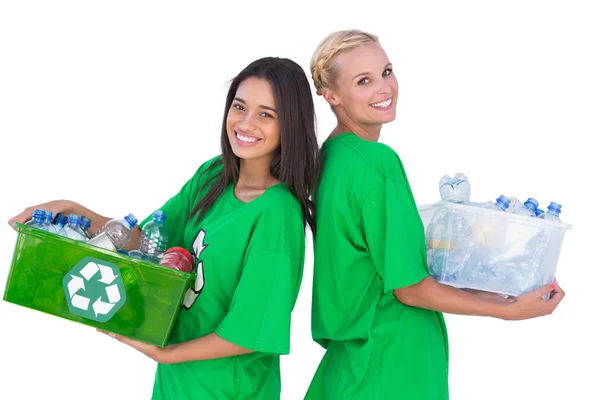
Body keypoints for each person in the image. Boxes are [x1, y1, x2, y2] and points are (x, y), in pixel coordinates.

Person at [9, 56, 321, 400]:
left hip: (228, 390)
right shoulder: (213, 176)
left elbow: (248, 332)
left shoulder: (276, 213)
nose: (245, 123)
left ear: (289, 124)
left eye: (266, 114)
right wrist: (69, 209)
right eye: (239, 107)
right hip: (175, 385)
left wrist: (165, 354)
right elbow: (148, 242)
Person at [304, 30, 565, 400]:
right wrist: (506, 309)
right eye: (364, 81)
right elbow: (409, 289)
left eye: (386, 72)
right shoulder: (378, 163)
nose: (384, 88)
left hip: (350, 367)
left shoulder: (329, 160)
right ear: (331, 95)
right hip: (392, 362)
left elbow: (372, 269)